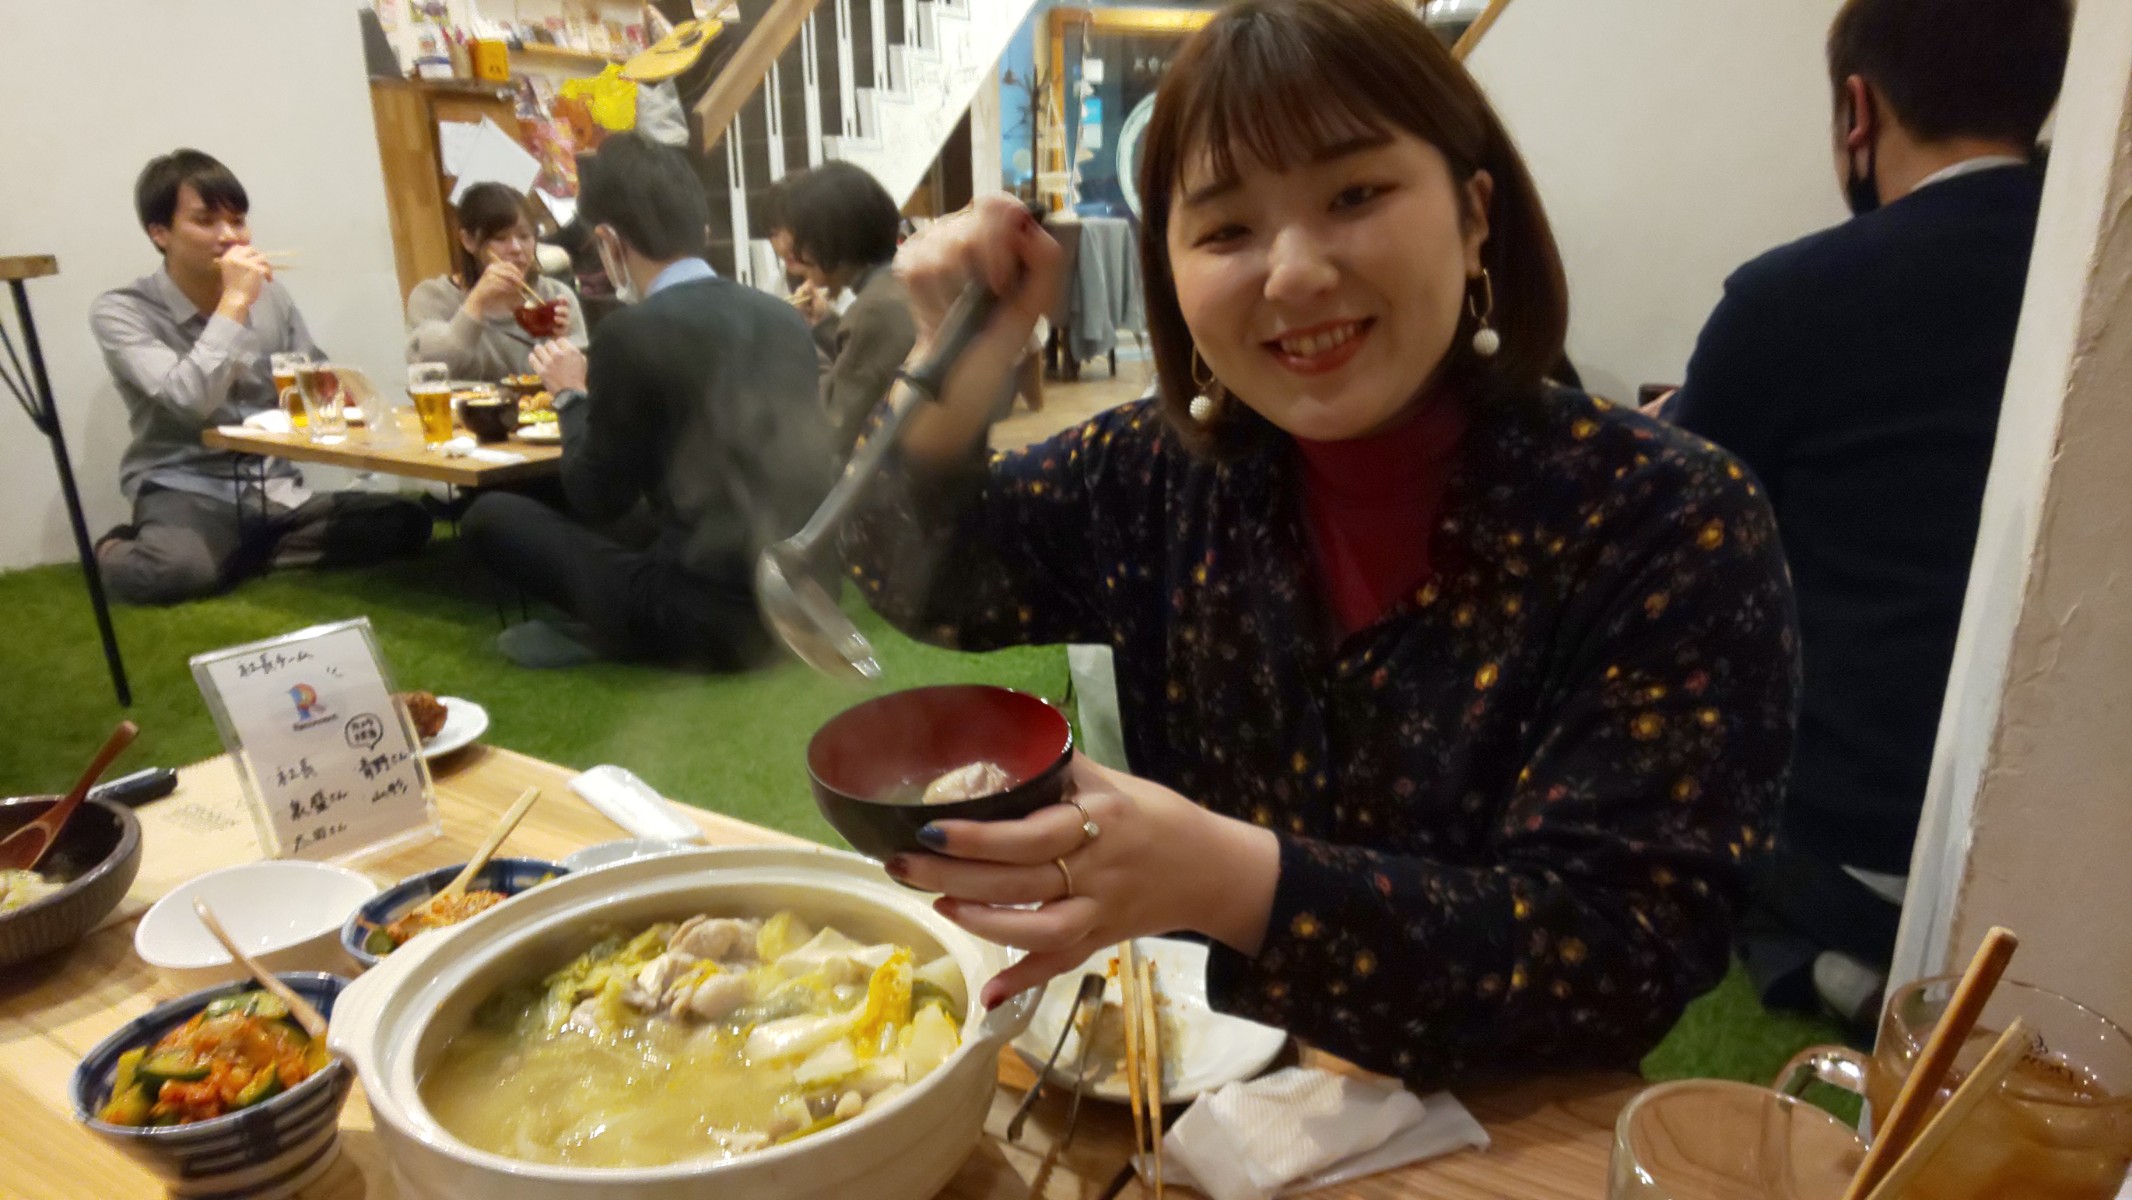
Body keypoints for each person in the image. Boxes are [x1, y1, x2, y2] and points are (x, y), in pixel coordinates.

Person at [850, 0, 1800, 1089]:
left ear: (1474, 216)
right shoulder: (1158, 477)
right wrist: (953, 362)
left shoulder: (1663, 521)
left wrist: (1227, 879)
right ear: (1168, 270)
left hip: (1510, 1126)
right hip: (1210, 1102)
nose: (1293, 274)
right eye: (1225, 230)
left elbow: (1618, 957)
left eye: (1355, 195)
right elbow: (935, 581)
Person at [1663, 0, 2071, 1027]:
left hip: (1860, 849)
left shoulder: (1787, 299)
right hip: (2065, 844)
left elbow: (1667, 550)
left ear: (1858, 108)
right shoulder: (2087, 266)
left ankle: (1831, 961)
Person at [460, 133, 834, 670]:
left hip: (711, 618)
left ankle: (613, 634)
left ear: (609, 241)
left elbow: (597, 496)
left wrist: (569, 394)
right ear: (702, 231)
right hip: (804, 599)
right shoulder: (782, 316)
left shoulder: (629, 332)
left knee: (491, 516)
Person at [90, 150, 430, 605]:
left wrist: (354, 400)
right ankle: (115, 547)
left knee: (406, 521)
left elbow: (315, 378)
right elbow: (192, 401)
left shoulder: (271, 296)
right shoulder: (122, 311)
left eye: (237, 221)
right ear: (160, 232)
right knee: (175, 573)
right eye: (206, 221)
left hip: (272, 484)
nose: (229, 237)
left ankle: (242, 554)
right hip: (186, 483)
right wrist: (234, 303)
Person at [764, 161, 917, 459]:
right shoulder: (897, 285)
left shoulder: (875, 309)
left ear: (831, 239)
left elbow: (829, 428)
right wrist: (823, 323)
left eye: (802, 240)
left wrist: (795, 339)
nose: (796, 255)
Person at [404, 182, 587, 381]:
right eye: (500, 238)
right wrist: (477, 300)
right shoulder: (433, 297)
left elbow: (580, 379)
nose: (516, 248)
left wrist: (560, 342)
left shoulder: (554, 295)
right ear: (468, 241)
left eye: (525, 236)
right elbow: (433, 368)